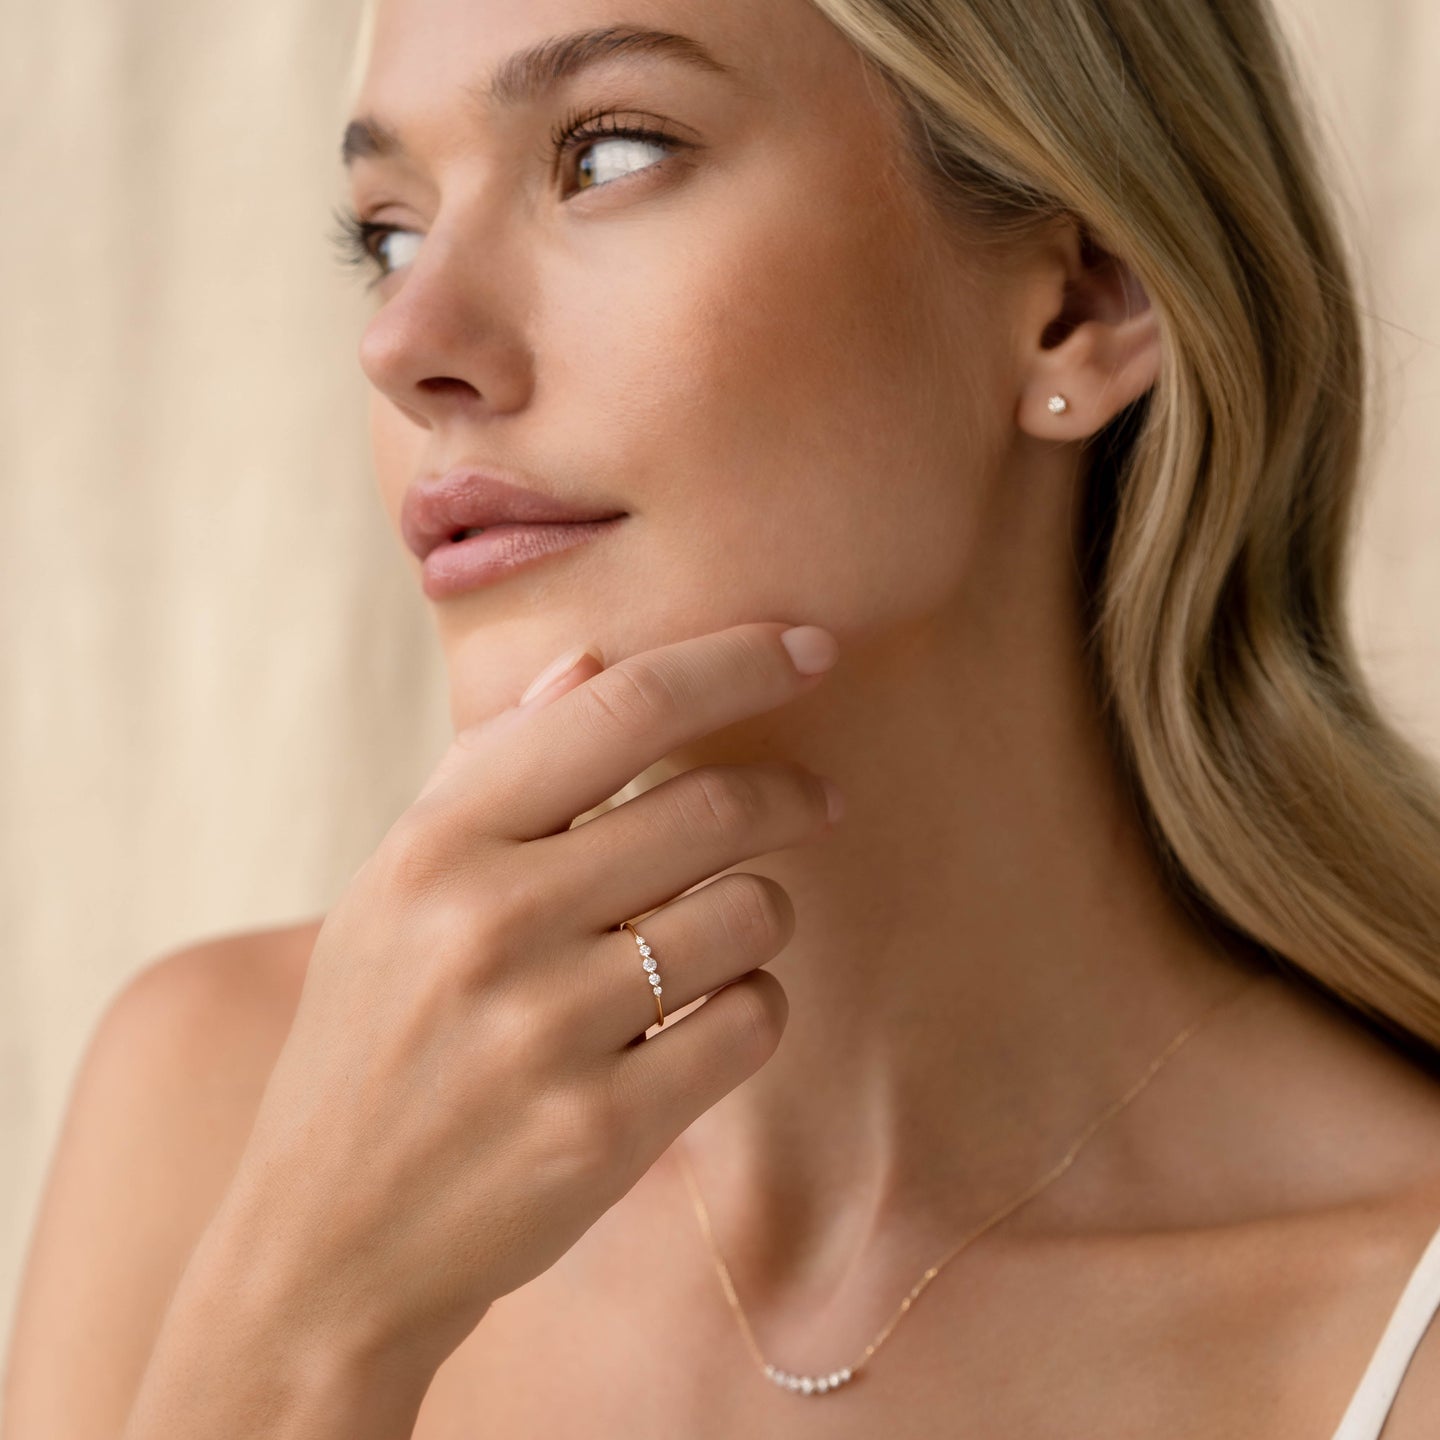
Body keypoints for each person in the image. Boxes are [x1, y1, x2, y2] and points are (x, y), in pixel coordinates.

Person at [6, 0, 1440, 1434]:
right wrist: (308, 1326)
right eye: (387, 232)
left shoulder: (1393, 1310)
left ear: (1083, 295)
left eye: (609, 155)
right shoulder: (213, 1113)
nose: (406, 340)